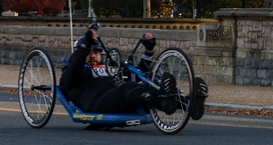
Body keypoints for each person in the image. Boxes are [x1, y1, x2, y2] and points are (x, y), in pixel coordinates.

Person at [60, 25, 208, 120]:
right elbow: (71, 73)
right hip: (96, 104)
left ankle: (189, 103)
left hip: (123, 100)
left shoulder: (108, 68)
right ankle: (160, 96)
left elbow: (138, 72)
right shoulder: (74, 73)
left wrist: (149, 51)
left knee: (144, 85)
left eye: (97, 52)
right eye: (89, 53)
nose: (93, 56)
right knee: (127, 88)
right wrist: (84, 48)